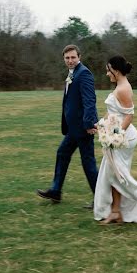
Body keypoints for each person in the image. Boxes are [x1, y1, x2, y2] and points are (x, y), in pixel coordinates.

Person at [93, 55, 137, 224]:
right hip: (118, 135)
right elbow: (113, 113)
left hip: (124, 139)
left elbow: (129, 116)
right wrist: (101, 125)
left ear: (115, 70)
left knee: (118, 175)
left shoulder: (123, 89)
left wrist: (115, 136)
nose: (107, 74)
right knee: (114, 175)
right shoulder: (120, 86)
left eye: (108, 70)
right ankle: (116, 211)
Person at [37, 44, 98, 206]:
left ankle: (102, 199)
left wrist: (89, 123)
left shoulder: (84, 74)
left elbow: (89, 100)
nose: (70, 60)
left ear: (79, 57)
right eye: (67, 58)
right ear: (63, 59)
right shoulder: (72, 73)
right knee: (62, 153)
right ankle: (56, 191)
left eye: (73, 57)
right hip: (73, 129)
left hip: (84, 128)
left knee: (88, 163)